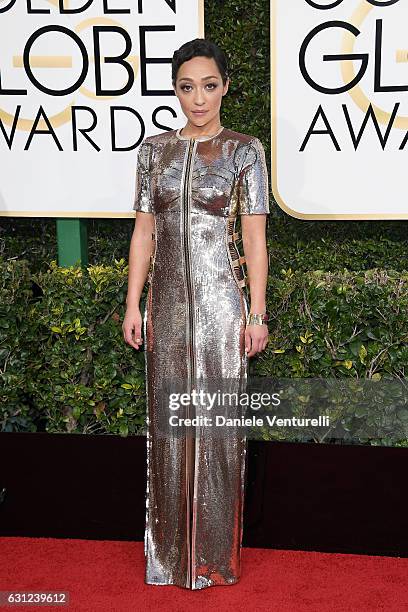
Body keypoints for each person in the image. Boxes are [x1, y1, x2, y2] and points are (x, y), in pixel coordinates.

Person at [123, 38, 270, 590]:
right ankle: (166, 557)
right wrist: (132, 302)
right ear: (176, 90)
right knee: (167, 425)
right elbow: (144, 232)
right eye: (187, 87)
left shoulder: (244, 150)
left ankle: (213, 558)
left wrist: (257, 312)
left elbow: (255, 239)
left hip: (220, 302)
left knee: (218, 426)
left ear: (225, 86)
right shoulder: (152, 152)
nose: (198, 98)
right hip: (165, 303)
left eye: (209, 86)